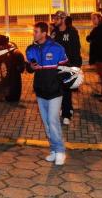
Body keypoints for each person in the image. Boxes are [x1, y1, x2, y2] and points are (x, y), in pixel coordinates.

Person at [26, 22, 68, 165]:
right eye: (34, 31)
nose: (34, 34)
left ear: (44, 33)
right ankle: (53, 150)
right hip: (40, 91)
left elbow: (64, 69)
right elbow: (30, 69)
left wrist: (67, 82)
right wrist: (31, 66)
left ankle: (61, 151)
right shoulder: (31, 49)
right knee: (46, 123)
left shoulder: (57, 48)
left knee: (53, 121)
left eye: (36, 31)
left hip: (55, 92)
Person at [50, 11, 82, 126]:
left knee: (66, 90)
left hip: (68, 66)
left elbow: (76, 49)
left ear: (63, 19)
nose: (54, 20)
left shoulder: (72, 32)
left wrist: (76, 66)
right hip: (56, 66)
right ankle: (65, 108)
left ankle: (66, 114)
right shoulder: (54, 32)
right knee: (58, 90)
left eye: (56, 18)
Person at [87, 12, 102, 101]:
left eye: (94, 18)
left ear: (100, 19)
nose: (92, 20)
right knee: (101, 75)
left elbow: (93, 39)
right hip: (99, 55)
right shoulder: (98, 28)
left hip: (101, 55)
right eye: (92, 18)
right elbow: (89, 38)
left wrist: (91, 39)